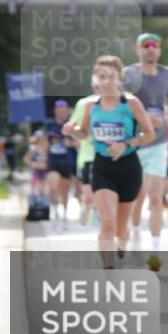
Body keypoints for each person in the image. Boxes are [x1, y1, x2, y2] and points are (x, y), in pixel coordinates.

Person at [66, 55, 155, 268]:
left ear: (119, 79)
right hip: (102, 168)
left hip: (128, 168)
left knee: (121, 228)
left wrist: (126, 143)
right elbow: (83, 133)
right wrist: (72, 131)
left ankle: (123, 243)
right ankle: (108, 273)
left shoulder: (130, 103)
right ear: (96, 79)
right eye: (101, 77)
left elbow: (150, 134)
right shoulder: (90, 106)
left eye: (110, 77)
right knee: (107, 224)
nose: (105, 82)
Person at [123, 33, 168, 270]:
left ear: (160, 50)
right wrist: (145, 119)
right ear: (138, 49)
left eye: (155, 45)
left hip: (159, 143)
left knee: (156, 198)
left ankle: (155, 250)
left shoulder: (167, 74)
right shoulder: (129, 74)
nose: (151, 49)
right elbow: (121, 105)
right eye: (146, 45)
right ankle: (135, 233)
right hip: (136, 142)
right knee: (138, 196)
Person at [67, 79, 101, 225]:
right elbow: (73, 124)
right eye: (98, 84)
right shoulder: (84, 104)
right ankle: (88, 205)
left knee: (103, 192)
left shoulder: (118, 102)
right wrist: (69, 128)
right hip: (87, 156)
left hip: (107, 156)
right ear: (93, 86)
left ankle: (99, 215)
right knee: (88, 196)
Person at [43, 100, 78, 227]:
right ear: (55, 111)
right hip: (53, 160)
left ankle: (64, 213)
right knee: (53, 185)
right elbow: (44, 141)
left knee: (64, 189)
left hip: (67, 160)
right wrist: (43, 155)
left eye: (64, 109)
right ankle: (55, 211)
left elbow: (79, 142)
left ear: (67, 110)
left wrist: (71, 143)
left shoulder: (71, 125)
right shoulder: (49, 124)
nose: (61, 112)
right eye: (59, 109)